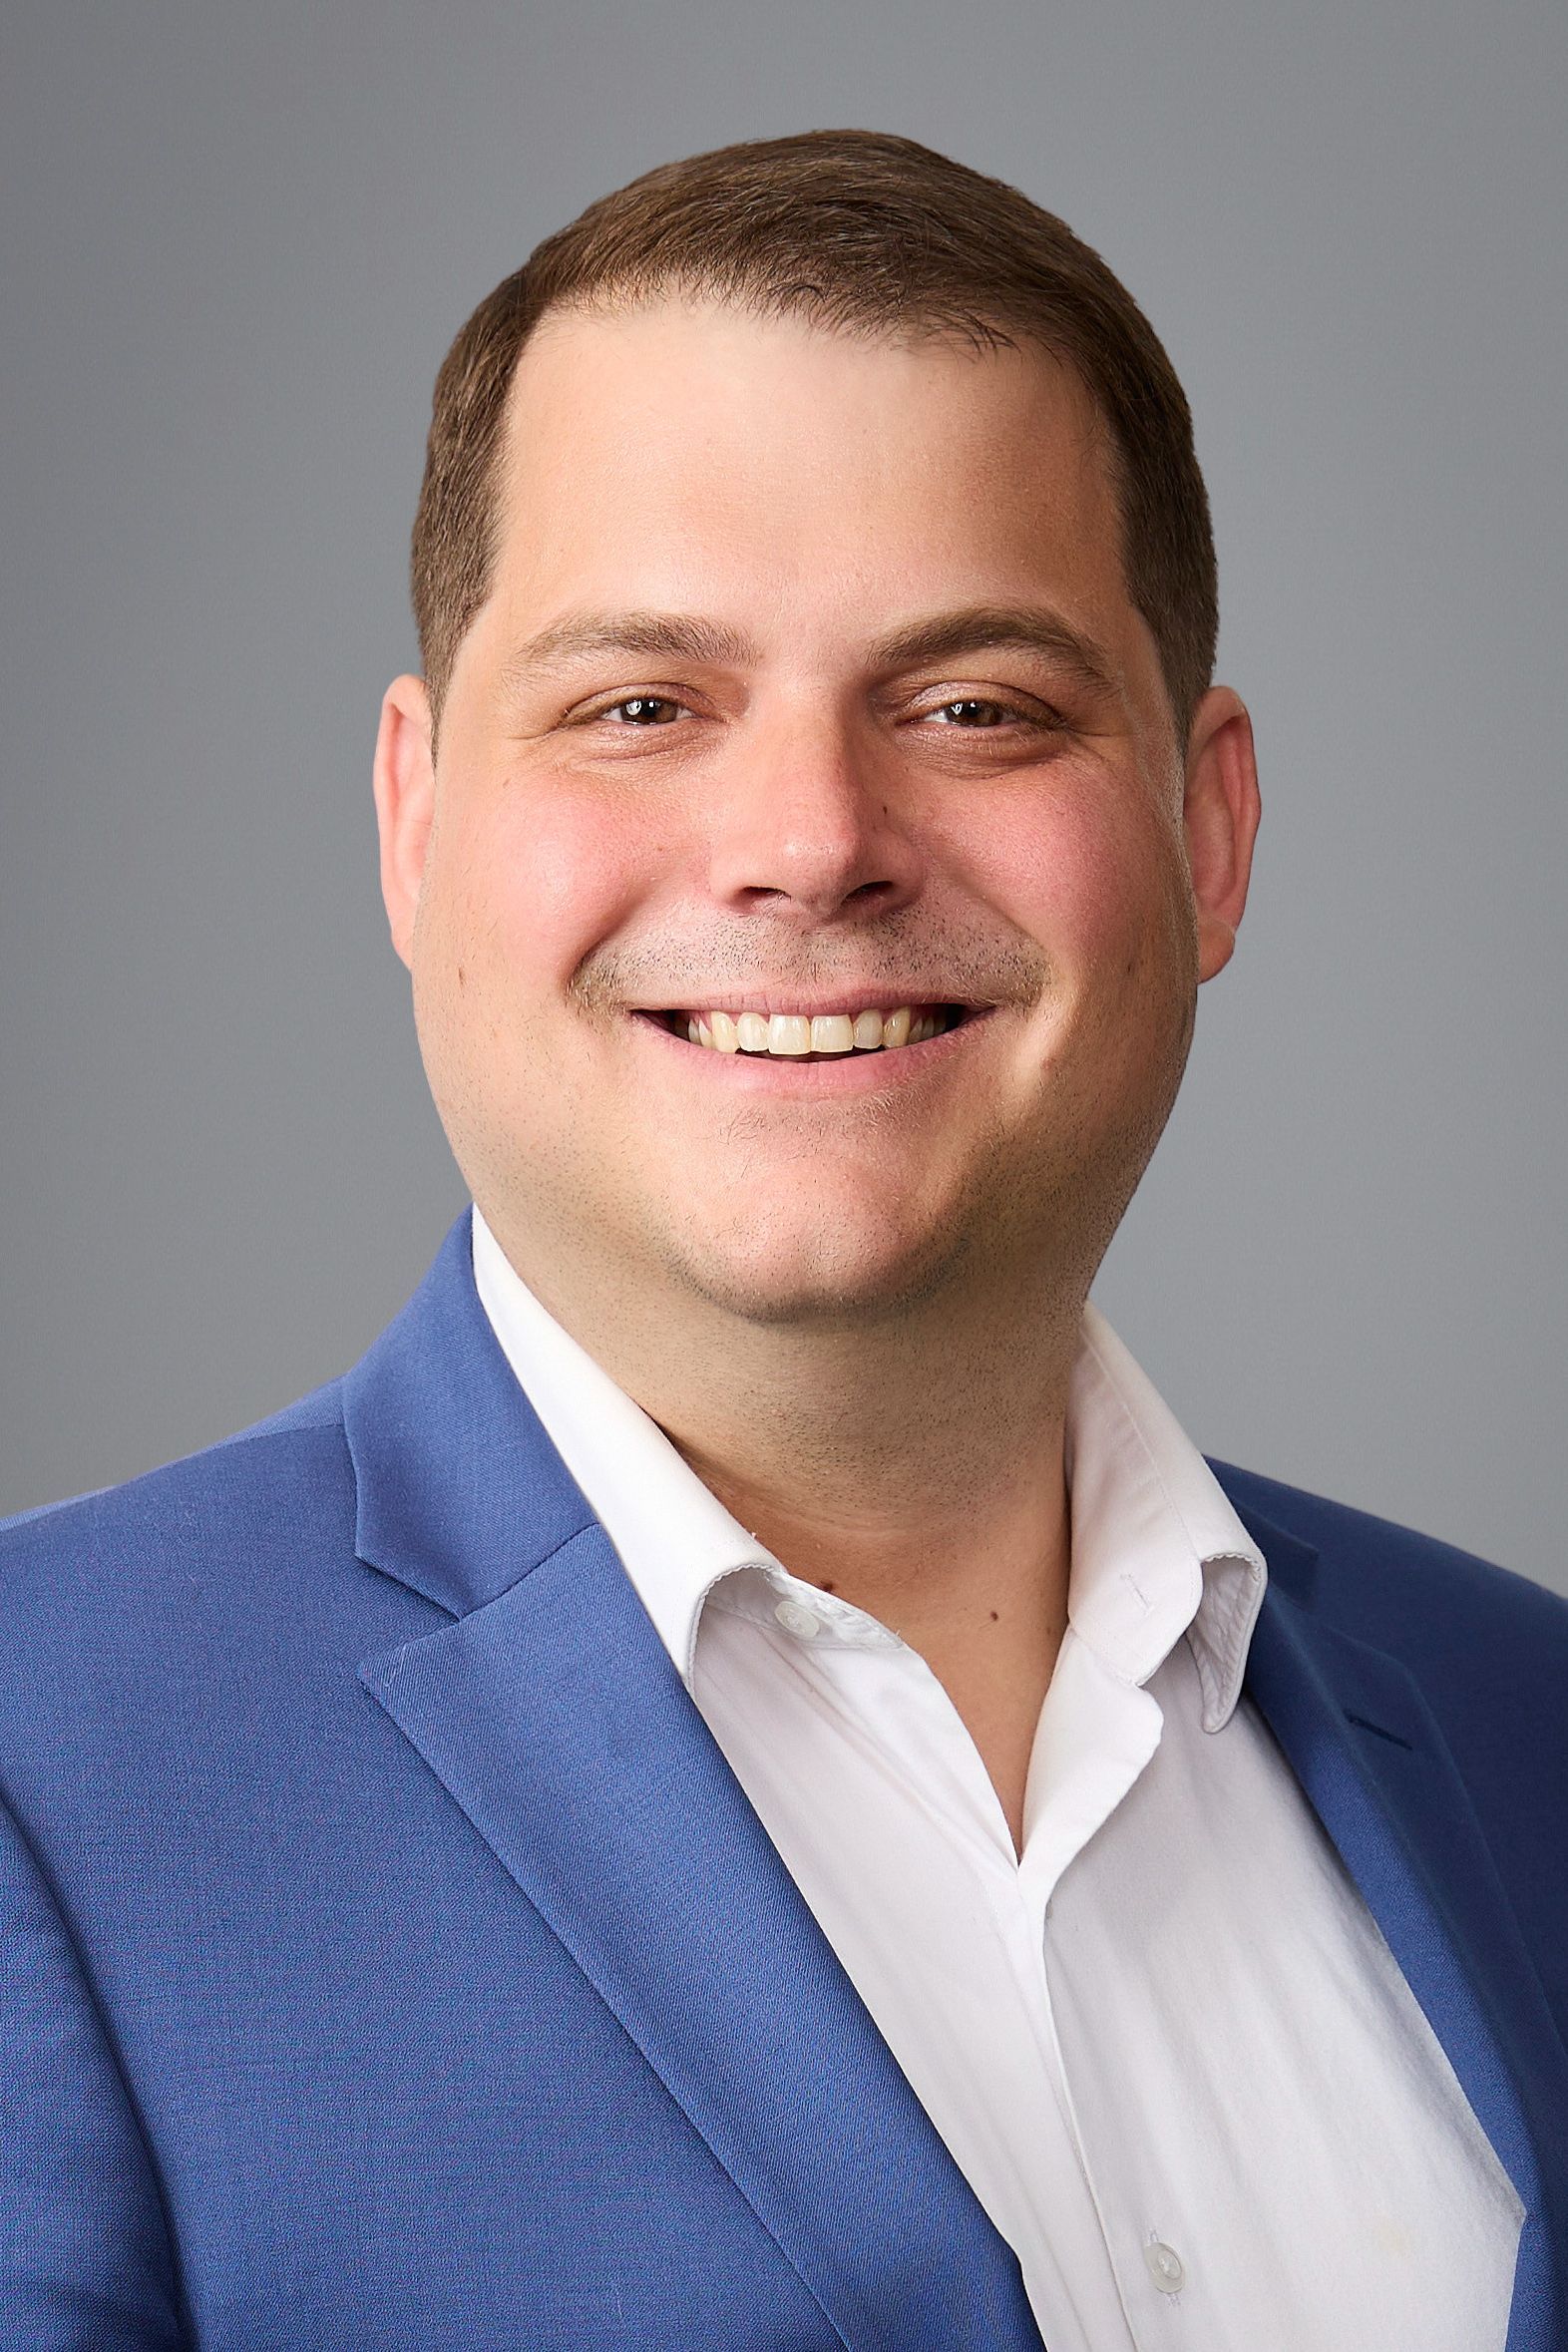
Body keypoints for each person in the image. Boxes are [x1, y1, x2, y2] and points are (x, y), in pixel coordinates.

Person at [1, 128, 1563, 2352]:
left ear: (1206, 835)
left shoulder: (1540, 1736)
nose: (812, 841)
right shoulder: (39, 1782)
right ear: (416, 824)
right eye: (643, 704)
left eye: (975, 707)